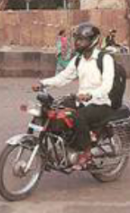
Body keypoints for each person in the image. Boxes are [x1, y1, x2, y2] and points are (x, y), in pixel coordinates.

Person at [33, 22, 115, 169]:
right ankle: (65, 144)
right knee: (55, 109)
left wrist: (90, 94)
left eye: (81, 39)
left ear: (93, 41)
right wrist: (43, 83)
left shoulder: (105, 59)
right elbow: (63, 77)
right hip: (81, 101)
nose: (77, 43)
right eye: (76, 39)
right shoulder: (78, 59)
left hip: (101, 104)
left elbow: (107, 86)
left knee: (78, 117)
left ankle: (86, 153)